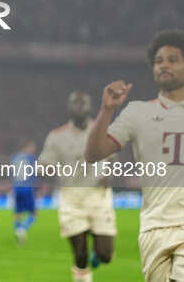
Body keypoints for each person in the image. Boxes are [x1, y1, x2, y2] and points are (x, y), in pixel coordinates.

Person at [85, 29, 184, 282]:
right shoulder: (137, 112)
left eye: (173, 60)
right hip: (154, 226)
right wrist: (107, 110)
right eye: (159, 61)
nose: (164, 65)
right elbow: (94, 154)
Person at [39, 91, 116, 282]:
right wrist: (45, 169)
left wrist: (108, 174)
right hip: (71, 200)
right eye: (75, 103)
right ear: (69, 108)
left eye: (83, 104)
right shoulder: (57, 136)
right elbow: (45, 164)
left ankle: (97, 255)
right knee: (80, 255)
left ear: (90, 107)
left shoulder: (103, 132)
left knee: (105, 255)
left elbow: (113, 157)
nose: (79, 107)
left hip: (99, 198)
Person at [10, 140, 38, 245]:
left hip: (17, 188)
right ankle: (22, 229)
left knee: (18, 213)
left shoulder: (14, 158)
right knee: (34, 213)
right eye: (31, 147)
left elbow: (12, 173)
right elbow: (35, 172)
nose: (33, 150)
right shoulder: (30, 158)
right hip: (27, 188)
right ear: (26, 147)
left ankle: (18, 231)